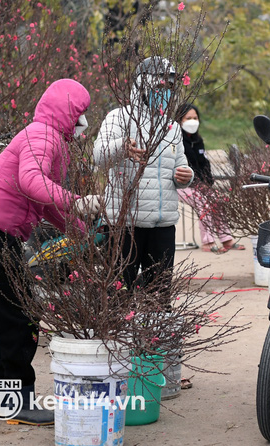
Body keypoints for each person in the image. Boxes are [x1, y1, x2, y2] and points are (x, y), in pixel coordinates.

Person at [0, 79, 97, 425]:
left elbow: (44, 202)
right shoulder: (42, 135)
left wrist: (81, 235)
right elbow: (32, 183)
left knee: (14, 320)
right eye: (81, 112)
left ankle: (0, 400)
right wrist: (78, 202)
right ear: (69, 110)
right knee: (19, 321)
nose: (84, 121)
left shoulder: (49, 138)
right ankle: (12, 403)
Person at [93, 56, 194, 291]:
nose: (165, 93)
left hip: (163, 225)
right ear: (142, 86)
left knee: (158, 295)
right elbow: (99, 156)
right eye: (160, 87)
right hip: (125, 224)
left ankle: (157, 328)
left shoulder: (172, 128)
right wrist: (122, 148)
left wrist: (187, 176)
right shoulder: (118, 117)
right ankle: (121, 329)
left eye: (170, 88)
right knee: (119, 294)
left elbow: (182, 164)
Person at [176, 103, 245, 254]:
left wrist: (207, 184)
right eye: (188, 118)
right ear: (180, 120)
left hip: (199, 185)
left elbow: (204, 165)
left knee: (217, 200)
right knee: (203, 202)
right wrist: (197, 186)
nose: (192, 121)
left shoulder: (198, 140)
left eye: (195, 118)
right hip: (181, 185)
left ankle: (226, 239)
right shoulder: (176, 141)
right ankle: (208, 242)